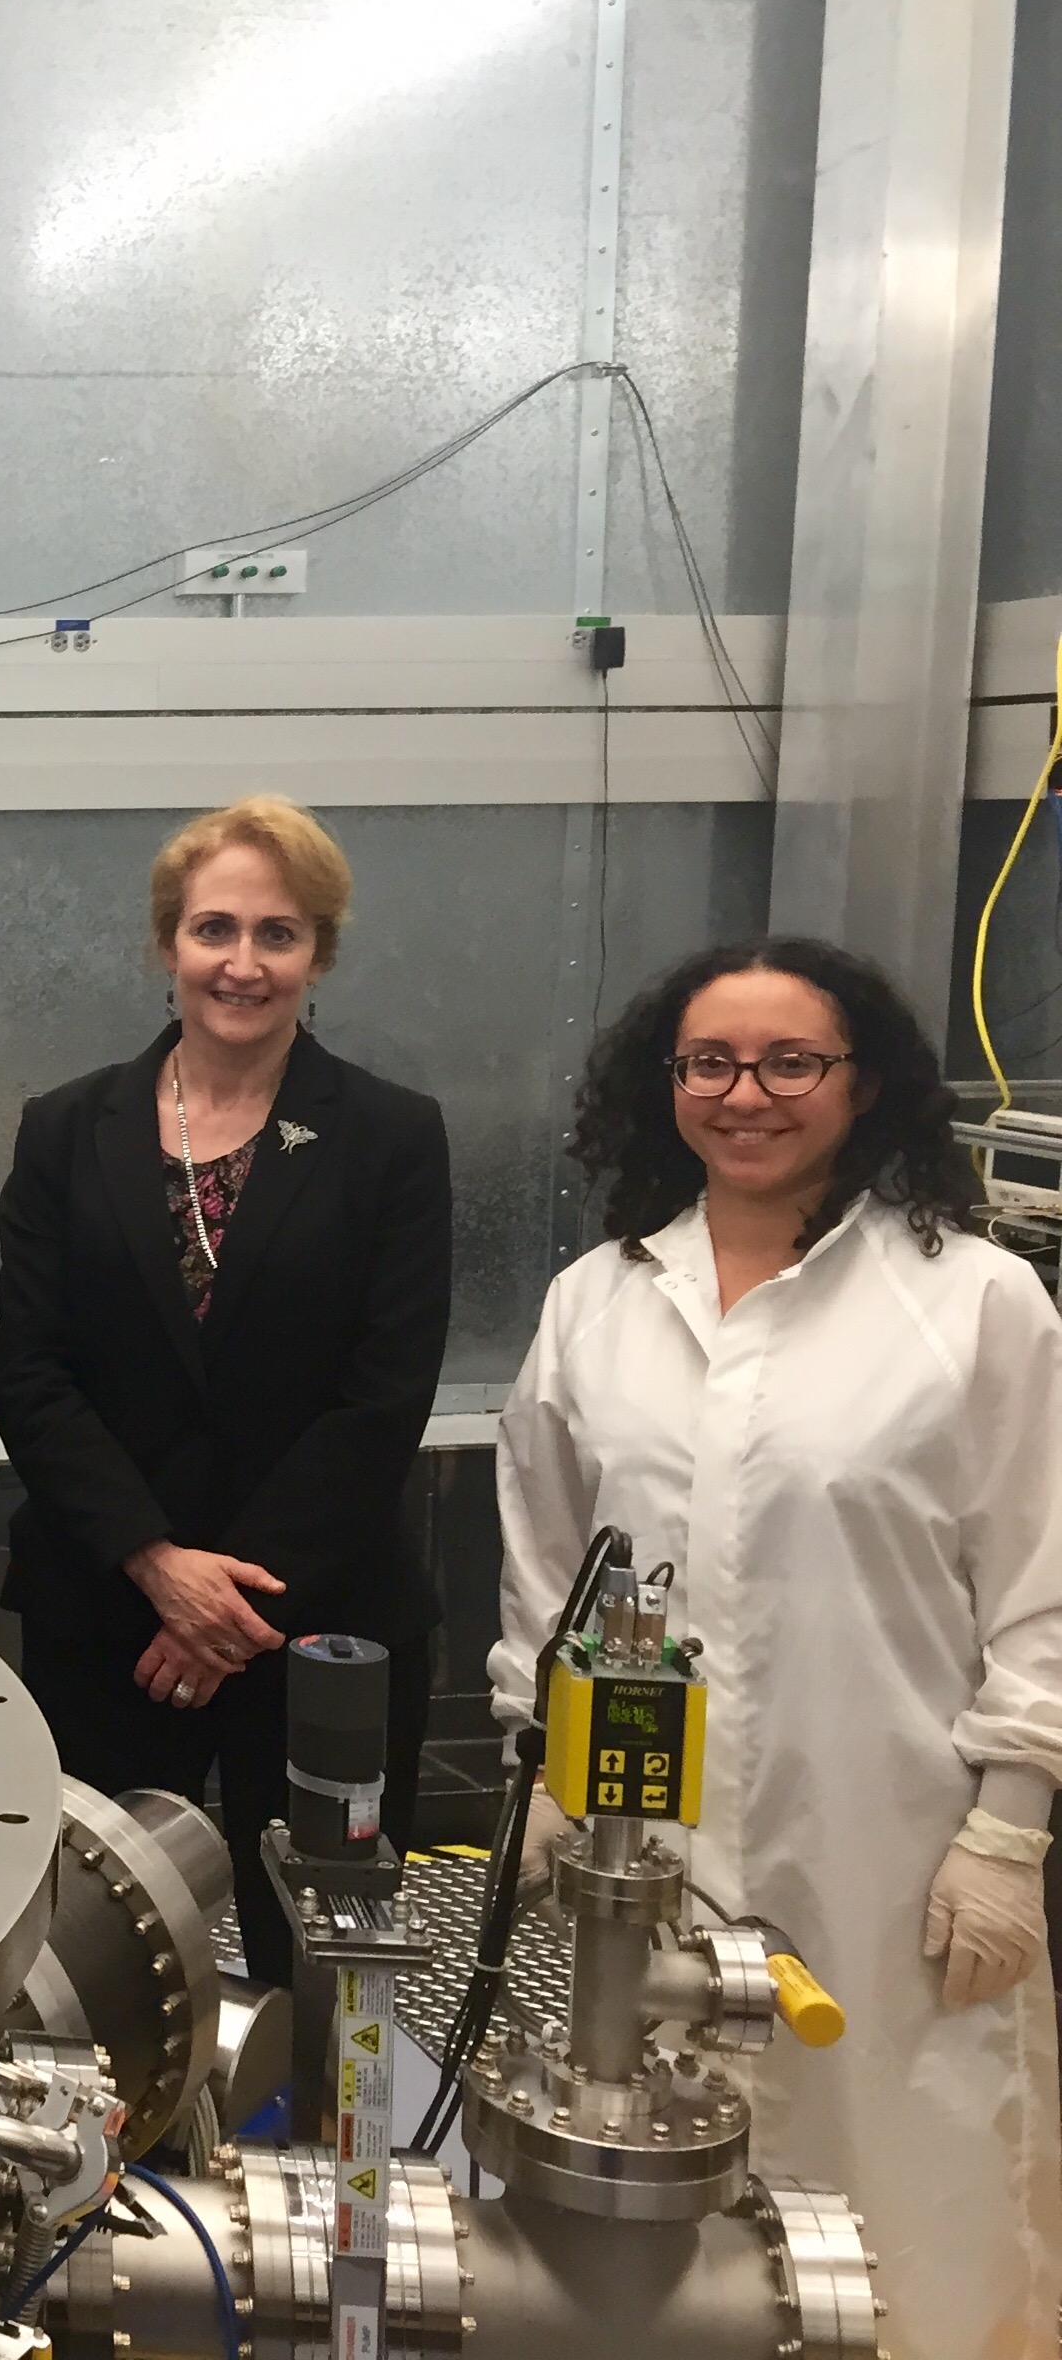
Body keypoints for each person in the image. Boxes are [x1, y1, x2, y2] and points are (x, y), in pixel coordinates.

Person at [492, 936, 1061, 2357]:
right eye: (711, 1062)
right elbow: (543, 1568)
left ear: (864, 1085)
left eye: (790, 1061)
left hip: (888, 1854)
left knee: (908, 2188)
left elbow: (1042, 1582)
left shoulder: (974, 1302)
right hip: (643, 1850)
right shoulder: (601, 1302)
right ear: (663, 1084)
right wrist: (547, 1774)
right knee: (643, 2190)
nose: (747, 1094)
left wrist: (1010, 1831)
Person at [0, 794, 451, 1986]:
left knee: (323, 1967)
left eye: (278, 934)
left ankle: (317, 2166)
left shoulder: (394, 1138)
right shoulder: (63, 1129)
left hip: (319, 1629)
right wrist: (157, 1564)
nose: (241, 963)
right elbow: (30, 1376)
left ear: (320, 954)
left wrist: (230, 1605)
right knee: (86, 1965)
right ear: (166, 944)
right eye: (214, 930)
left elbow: (384, 1397)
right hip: (107, 1619)